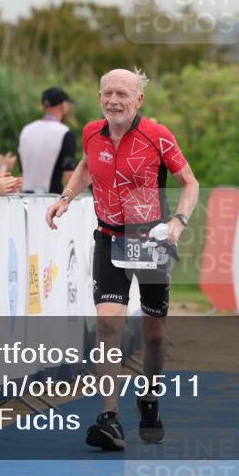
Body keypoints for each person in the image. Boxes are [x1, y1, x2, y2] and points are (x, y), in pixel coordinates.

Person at [45, 68, 199, 451]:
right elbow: (86, 165)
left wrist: (178, 222)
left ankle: (149, 396)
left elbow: (191, 183)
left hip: (149, 242)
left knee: (154, 334)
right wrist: (66, 197)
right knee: (108, 324)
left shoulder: (158, 136)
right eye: (107, 92)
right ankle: (110, 417)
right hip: (109, 238)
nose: (113, 100)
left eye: (122, 94)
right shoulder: (91, 132)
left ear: (139, 100)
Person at [18, 86, 77, 194]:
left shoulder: (26, 130)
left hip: (25, 198)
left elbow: (22, 172)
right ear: (63, 106)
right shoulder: (65, 133)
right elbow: (69, 176)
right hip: (51, 199)